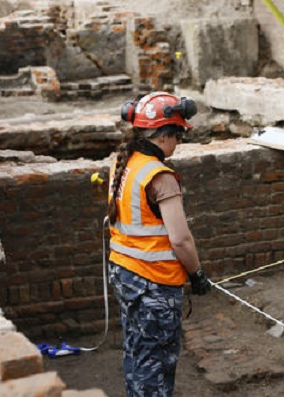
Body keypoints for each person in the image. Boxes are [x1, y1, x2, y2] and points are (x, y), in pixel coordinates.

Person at [107, 91, 211, 396]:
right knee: (157, 362)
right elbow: (180, 240)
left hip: (125, 275)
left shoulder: (125, 164)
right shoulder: (159, 176)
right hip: (154, 283)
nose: (178, 143)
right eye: (178, 135)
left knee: (137, 352)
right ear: (164, 135)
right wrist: (197, 274)